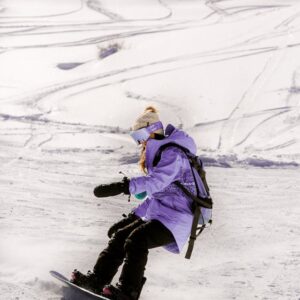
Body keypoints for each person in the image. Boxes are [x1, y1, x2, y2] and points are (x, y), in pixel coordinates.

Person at [71, 106, 202, 300]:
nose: (139, 141)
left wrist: (125, 186)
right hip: (164, 213)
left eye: (140, 134)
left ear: (153, 130)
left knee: (136, 240)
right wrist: (133, 217)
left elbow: (155, 183)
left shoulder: (173, 154)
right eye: (135, 137)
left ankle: (128, 291)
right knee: (121, 236)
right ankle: (97, 280)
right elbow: (157, 194)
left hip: (179, 217)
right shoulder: (160, 155)